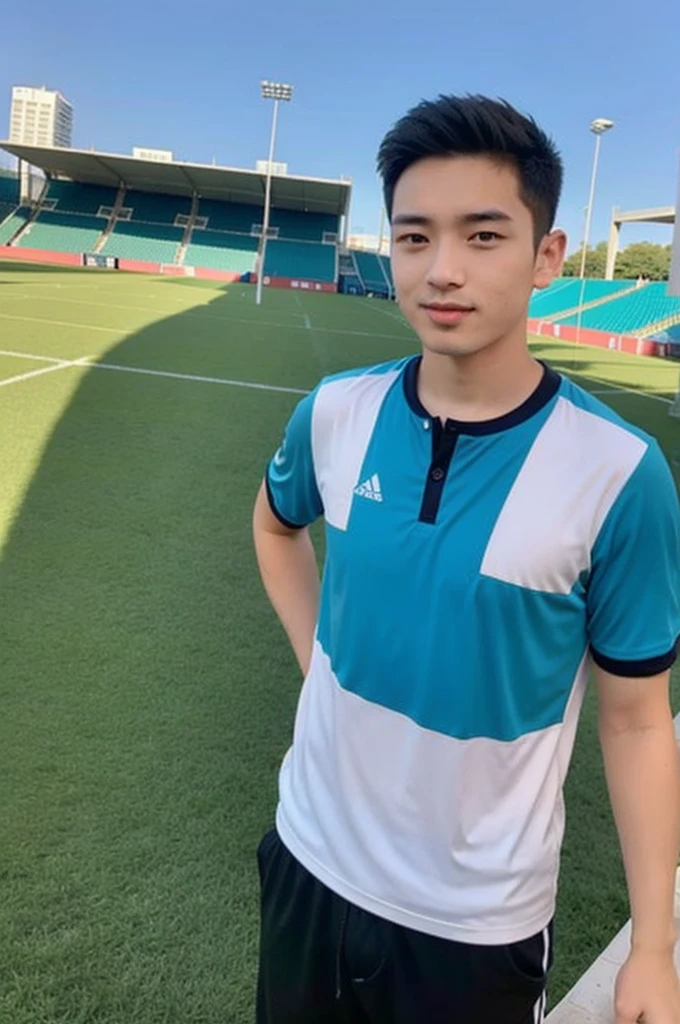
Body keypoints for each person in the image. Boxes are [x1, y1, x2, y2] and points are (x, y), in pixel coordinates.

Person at [252, 94, 680, 1024]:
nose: (442, 271)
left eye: (483, 236)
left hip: (473, 927)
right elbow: (276, 526)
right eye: (414, 238)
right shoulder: (335, 412)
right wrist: (315, 660)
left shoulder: (619, 475)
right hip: (307, 862)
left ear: (546, 257)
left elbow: (640, 722)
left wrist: (654, 947)